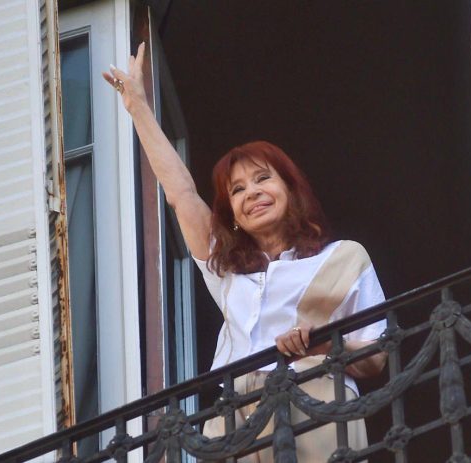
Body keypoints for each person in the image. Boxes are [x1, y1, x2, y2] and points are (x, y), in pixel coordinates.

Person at [103, 42, 387, 462]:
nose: (251, 192)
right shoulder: (227, 270)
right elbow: (181, 194)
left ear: (290, 190)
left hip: (314, 403)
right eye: (237, 190)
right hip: (233, 419)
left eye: (262, 179)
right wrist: (138, 108)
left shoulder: (343, 258)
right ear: (233, 214)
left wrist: (317, 346)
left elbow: (376, 356)